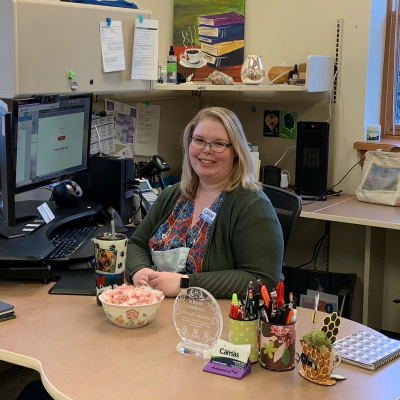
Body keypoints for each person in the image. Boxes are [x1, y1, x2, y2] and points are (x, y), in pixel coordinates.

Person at [126, 107, 284, 298]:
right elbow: (136, 244)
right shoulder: (173, 196)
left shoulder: (252, 205)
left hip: (217, 319)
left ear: (236, 151)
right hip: (160, 310)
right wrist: (139, 271)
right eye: (199, 140)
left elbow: (262, 278)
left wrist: (186, 284)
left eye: (219, 144)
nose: (206, 150)